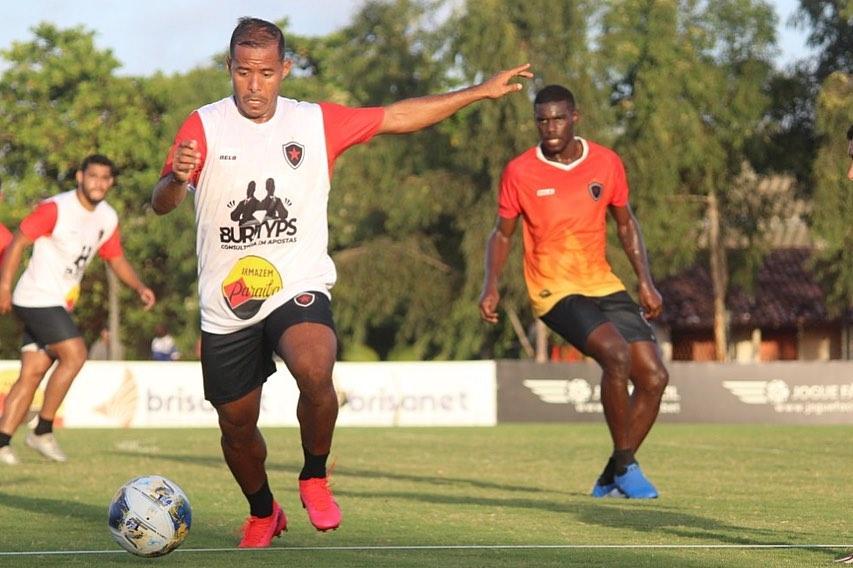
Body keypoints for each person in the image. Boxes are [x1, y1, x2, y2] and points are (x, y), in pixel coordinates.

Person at [151, 17, 531, 548]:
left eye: (265, 72)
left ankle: (314, 474)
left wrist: (479, 91)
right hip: (229, 299)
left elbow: (398, 116)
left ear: (285, 69)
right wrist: (176, 178)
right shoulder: (203, 125)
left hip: (295, 280)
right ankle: (264, 512)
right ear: (229, 69)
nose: (254, 86)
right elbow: (162, 202)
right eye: (243, 73)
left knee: (314, 365)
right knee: (237, 428)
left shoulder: (315, 123)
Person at [478, 85, 669, 499]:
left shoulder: (606, 162)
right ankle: (628, 466)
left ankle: (614, 471)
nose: (549, 127)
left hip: (602, 281)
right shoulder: (519, 171)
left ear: (575, 117)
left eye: (558, 118)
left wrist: (645, 281)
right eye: (542, 120)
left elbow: (625, 224)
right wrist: (489, 285)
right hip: (552, 288)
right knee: (616, 355)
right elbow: (502, 234)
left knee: (654, 377)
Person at [0, 154, 155, 466]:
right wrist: (4, 285)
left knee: (32, 372)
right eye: (93, 176)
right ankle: (42, 430)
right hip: (35, 296)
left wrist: (139, 286)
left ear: (110, 182)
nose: (98, 183)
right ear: (80, 177)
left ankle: (2, 441)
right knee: (75, 354)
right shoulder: (56, 208)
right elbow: (18, 242)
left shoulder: (107, 218)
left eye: (105, 178)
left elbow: (115, 258)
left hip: (58, 302)